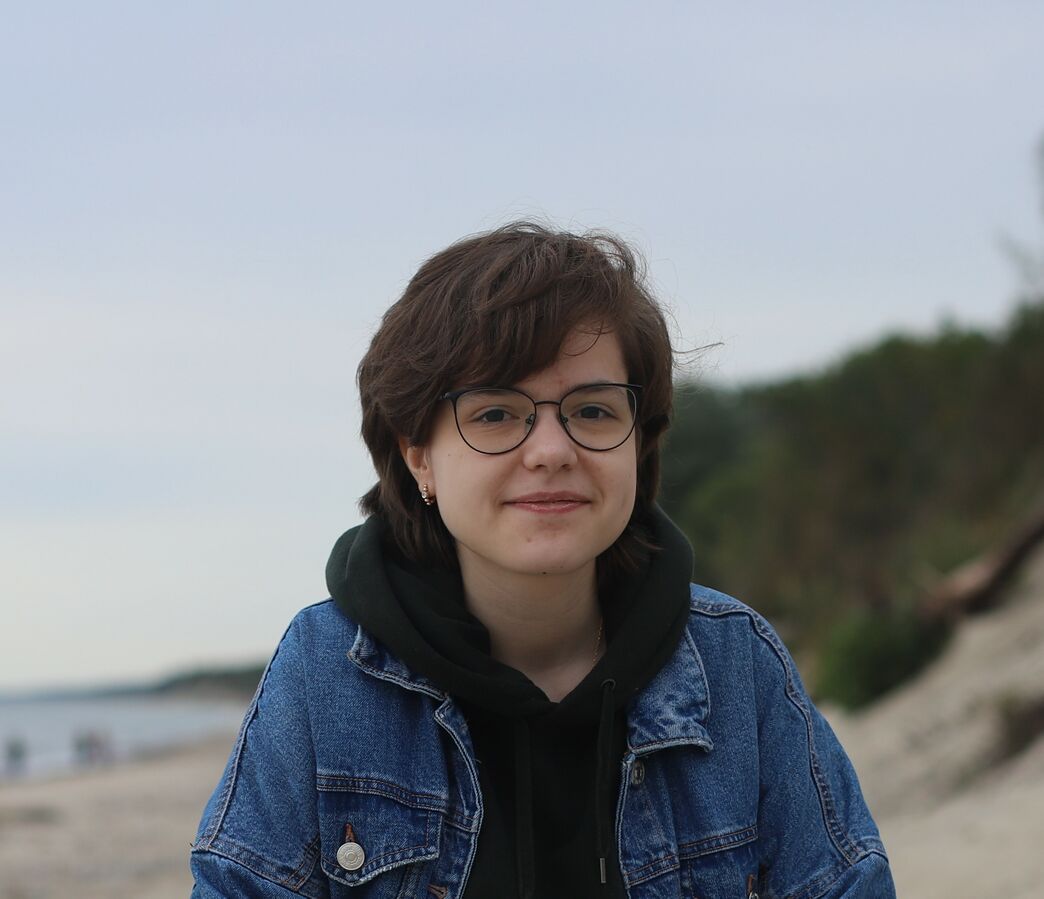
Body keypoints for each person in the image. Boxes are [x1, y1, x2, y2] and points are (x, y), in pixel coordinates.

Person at [190, 222, 895, 898]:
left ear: (639, 442)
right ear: (418, 456)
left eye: (593, 411)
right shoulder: (326, 674)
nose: (552, 450)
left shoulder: (736, 665)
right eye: (496, 413)